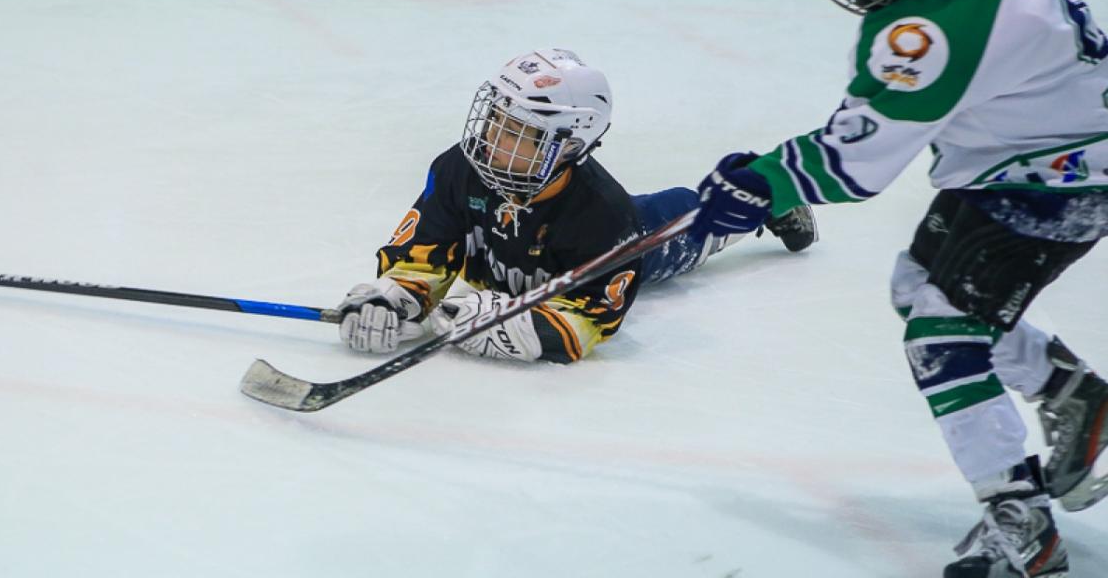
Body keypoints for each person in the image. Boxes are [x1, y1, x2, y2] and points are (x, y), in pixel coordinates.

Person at [689, 0, 1108, 578]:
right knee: (916, 286)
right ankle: (1075, 398)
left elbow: (854, 167)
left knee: (942, 336)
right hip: (1023, 157)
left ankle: (1026, 543)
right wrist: (771, 175)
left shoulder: (928, 35)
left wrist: (764, 185)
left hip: (1058, 180)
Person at [336, 48, 817, 365]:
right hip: (529, 265)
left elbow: (592, 318)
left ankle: (768, 200)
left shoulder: (605, 217)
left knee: (690, 220)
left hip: (633, 236)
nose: (492, 141)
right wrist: (396, 299)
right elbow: (424, 250)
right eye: (496, 121)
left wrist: (525, 328)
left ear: (569, 144)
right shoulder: (460, 169)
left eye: (518, 133)